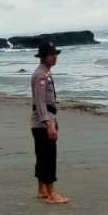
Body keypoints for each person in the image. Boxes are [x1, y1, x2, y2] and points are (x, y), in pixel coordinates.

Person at [31, 42, 68, 204]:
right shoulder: (41, 75)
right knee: (48, 158)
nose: (55, 57)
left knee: (42, 156)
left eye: (55, 55)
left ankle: (42, 189)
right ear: (44, 57)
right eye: (51, 55)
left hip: (42, 122)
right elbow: (40, 102)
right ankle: (52, 194)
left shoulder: (44, 73)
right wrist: (49, 123)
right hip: (43, 123)